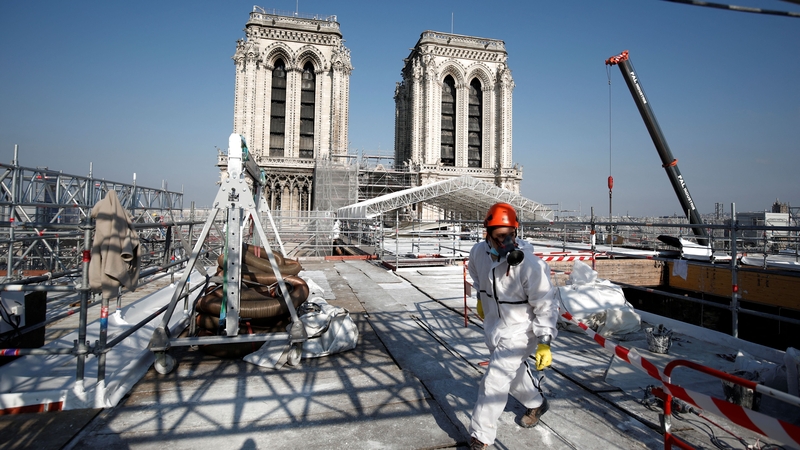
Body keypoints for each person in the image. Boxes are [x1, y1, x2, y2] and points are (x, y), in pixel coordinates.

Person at [468, 202, 558, 449]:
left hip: (521, 330)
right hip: (494, 327)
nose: (505, 242)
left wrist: (544, 342)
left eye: (510, 236)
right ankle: (536, 402)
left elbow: (545, 305)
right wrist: (480, 300)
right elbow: (477, 280)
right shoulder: (477, 254)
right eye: (499, 237)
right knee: (514, 375)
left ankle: (480, 436)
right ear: (487, 233)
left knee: (494, 380)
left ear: (516, 233)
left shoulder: (530, 265)